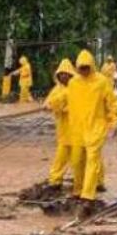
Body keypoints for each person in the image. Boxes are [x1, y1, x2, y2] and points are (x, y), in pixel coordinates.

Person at [65, 49, 117, 207]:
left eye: (86, 67)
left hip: (96, 127)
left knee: (92, 159)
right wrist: (52, 104)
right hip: (77, 129)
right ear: (77, 67)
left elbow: (113, 103)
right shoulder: (73, 83)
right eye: (81, 67)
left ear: (92, 66)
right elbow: (64, 98)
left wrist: (113, 124)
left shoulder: (102, 82)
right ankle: (78, 190)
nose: (83, 70)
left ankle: (88, 195)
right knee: (76, 161)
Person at [44, 58, 77, 187]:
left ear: (71, 74)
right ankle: (55, 180)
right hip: (63, 131)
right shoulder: (57, 89)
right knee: (60, 158)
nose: (63, 76)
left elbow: (81, 105)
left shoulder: (77, 87)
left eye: (66, 74)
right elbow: (48, 102)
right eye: (61, 74)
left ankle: (86, 182)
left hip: (77, 131)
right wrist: (48, 106)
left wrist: (65, 108)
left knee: (79, 160)